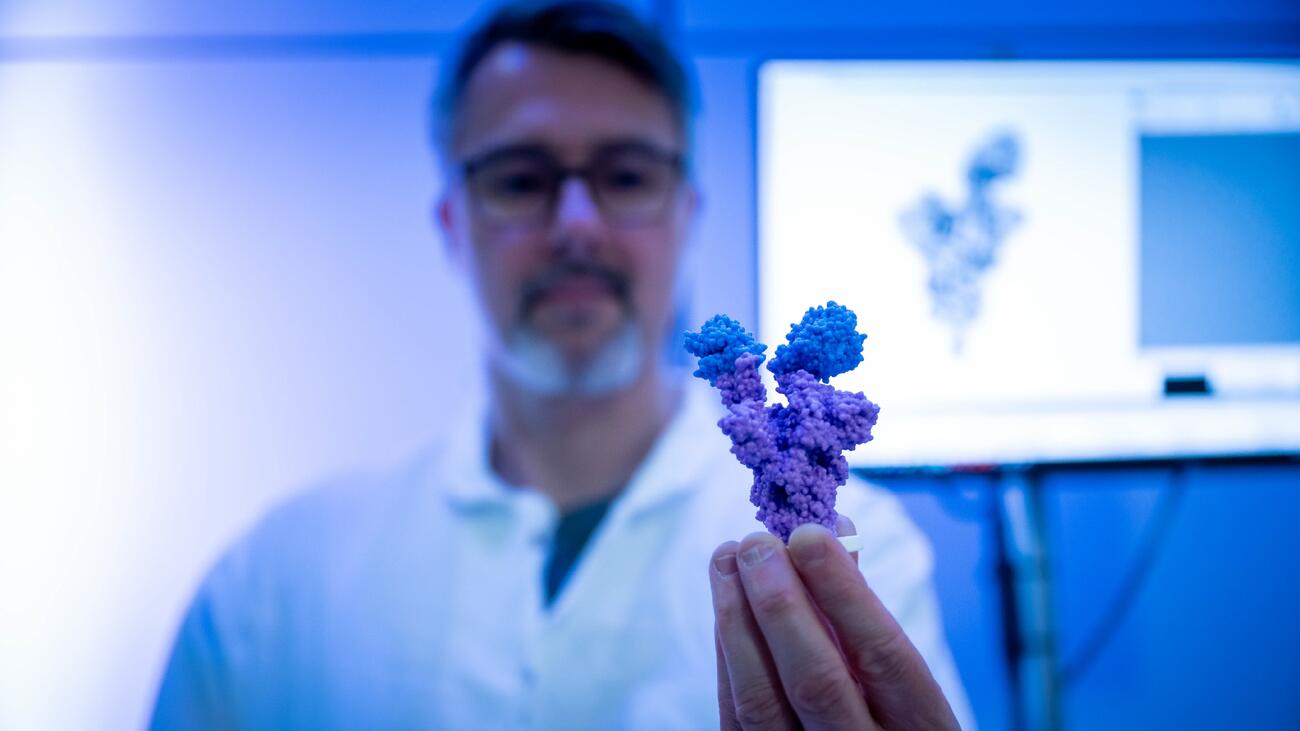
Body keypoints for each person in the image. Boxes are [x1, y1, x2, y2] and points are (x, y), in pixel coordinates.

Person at [149, 1, 975, 729]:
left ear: (686, 214)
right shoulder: (273, 583)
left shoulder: (860, 554)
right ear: (450, 221)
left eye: (624, 176)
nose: (577, 223)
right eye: (520, 179)